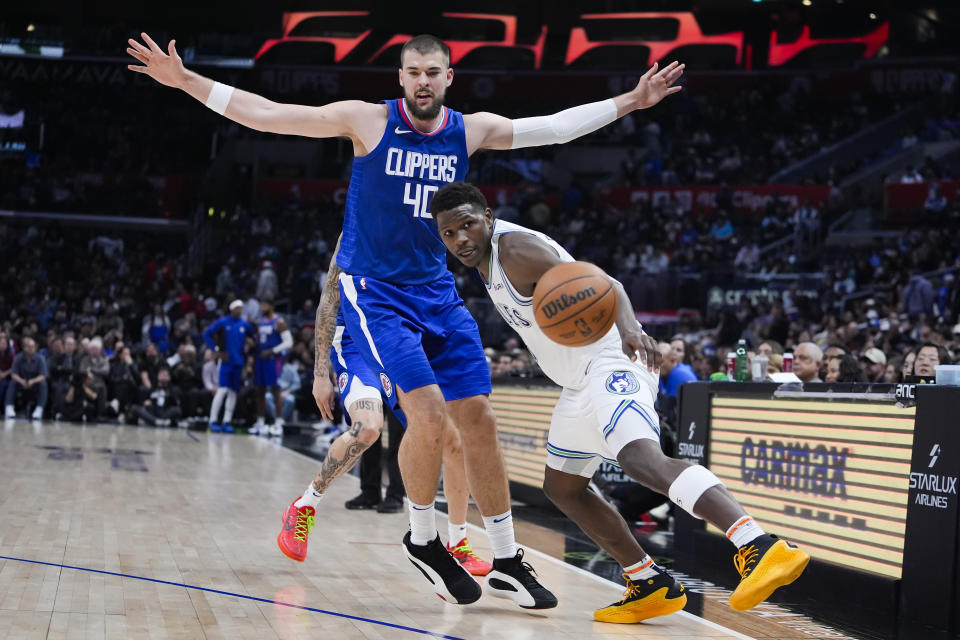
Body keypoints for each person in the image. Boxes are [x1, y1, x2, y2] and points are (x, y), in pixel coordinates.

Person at [127, 30, 683, 607]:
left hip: (438, 292)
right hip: (377, 292)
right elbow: (269, 115)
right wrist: (188, 81)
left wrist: (629, 102)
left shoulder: (468, 130)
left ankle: (508, 556)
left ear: (448, 78)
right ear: (401, 78)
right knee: (428, 414)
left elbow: (550, 127)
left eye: (433, 71)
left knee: (480, 421)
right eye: (413, 71)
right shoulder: (366, 120)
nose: (423, 80)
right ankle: (423, 539)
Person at [432, 182, 809, 621]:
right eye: (449, 233)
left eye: (467, 225)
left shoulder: (515, 249)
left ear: (488, 218)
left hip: (612, 361)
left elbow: (603, 283)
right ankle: (649, 582)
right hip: (579, 382)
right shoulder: (485, 258)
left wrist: (630, 329)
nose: (460, 239)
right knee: (563, 487)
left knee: (640, 459)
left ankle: (760, 546)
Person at [277, 247, 491, 578]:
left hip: (397, 334)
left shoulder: (415, 227)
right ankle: (305, 505)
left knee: (452, 440)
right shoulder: (355, 232)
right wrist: (321, 373)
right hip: (353, 341)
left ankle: (458, 543)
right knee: (368, 427)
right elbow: (328, 302)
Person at [202, 300, 255, 433]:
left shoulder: (245, 324)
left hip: (239, 363)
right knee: (222, 390)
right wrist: (215, 349)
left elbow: (253, 336)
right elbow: (206, 334)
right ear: (231, 309)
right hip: (225, 362)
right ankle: (213, 420)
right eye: (237, 308)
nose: (240, 310)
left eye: (241, 308)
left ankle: (227, 421)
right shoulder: (223, 322)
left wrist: (249, 347)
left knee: (233, 392)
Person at [250, 299, 293, 436]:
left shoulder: (279, 322)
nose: (262, 307)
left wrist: (272, 351)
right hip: (261, 360)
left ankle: (278, 423)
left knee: (275, 391)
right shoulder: (261, 322)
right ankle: (260, 422)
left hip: (273, 360)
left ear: (271, 306)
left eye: (264, 305)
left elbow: (289, 342)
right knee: (259, 391)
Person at [4, 337, 49, 420]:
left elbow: (43, 375)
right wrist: (22, 381)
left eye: (33, 346)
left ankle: (39, 409)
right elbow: (14, 374)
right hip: (21, 383)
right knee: (12, 383)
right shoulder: (18, 358)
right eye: (28, 346)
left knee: (43, 384)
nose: (31, 348)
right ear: (24, 348)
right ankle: (9, 407)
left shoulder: (40, 358)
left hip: (34, 383)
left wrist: (33, 381)